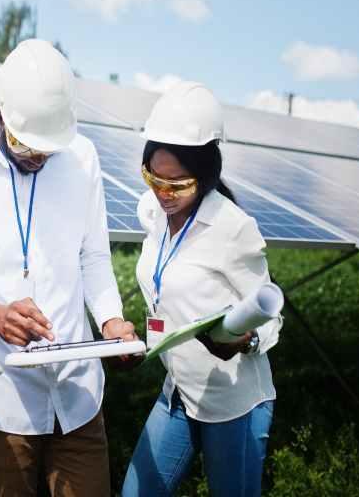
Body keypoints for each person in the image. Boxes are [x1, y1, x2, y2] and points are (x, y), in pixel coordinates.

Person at [0, 39, 139, 497]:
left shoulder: (82, 158)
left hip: (79, 394)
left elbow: (93, 256)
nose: (38, 156)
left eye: (49, 147)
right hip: (5, 400)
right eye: (27, 144)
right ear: (0, 112)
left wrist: (111, 320)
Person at [121, 81, 283, 497]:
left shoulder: (233, 228)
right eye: (153, 178)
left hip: (233, 404)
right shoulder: (153, 211)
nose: (163, 193)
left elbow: (271, 317)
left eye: (177, 185)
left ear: (206, 174)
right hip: (178, 391)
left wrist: (246, 341)